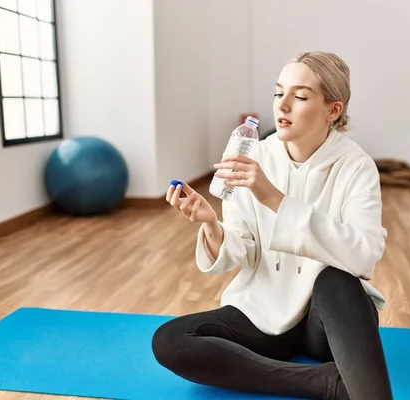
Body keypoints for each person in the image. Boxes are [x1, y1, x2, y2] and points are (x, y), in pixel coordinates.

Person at [152, 51, 393, 400]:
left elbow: (365, 253)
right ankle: (324, 383)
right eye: (279, 93)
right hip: (261, 314)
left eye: (299, 96)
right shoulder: (256, 156)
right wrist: (210, 224)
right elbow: (242, 250)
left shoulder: (356, 166)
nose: (282, 106)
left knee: (337, 279)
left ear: (333, 110)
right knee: (170, 341)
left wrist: (275, 199)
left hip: (323, 324)